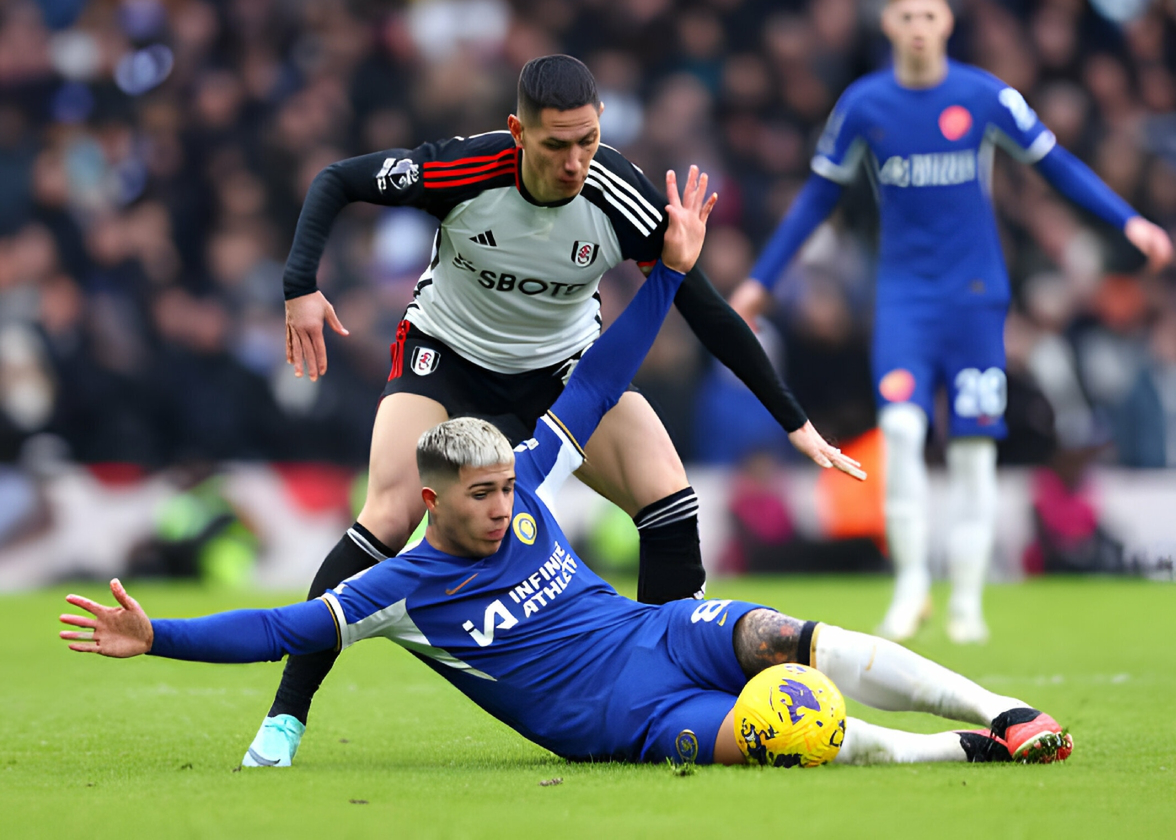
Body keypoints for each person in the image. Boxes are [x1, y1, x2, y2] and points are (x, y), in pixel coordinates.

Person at [59, 192, 1071, 768]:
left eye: (507, 490)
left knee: (785, 636)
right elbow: (280, 626)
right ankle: (964, 755)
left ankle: (1003, 705)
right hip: (619, 721)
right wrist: (158, 639)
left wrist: (668, 275)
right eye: (485, 497)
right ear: (434, 504)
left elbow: (597, 380)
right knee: (789, 728)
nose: (505, 506)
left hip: (656, 632)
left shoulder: (529, 477)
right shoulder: (398, 592)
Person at [266, 55, 864, 767]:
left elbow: (705, 309)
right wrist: (300, 284)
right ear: (517, 132)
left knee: (669, 498)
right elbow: (337, 179)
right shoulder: (462, 169)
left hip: (562, 375)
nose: (575, 160)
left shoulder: (618, 192)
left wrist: (793, 421)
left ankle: (663, 687)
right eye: (556, 145)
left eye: (587, 140)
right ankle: (286, 719)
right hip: (448, 360)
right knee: (390, 514)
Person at [730, 0, 1172, 645]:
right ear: (888, 26)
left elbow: (1058, 166)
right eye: (904, 16)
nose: (917, 27)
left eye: (928, 16)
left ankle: (966, 599)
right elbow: (816, 200)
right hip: (906, 299)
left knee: (972, 451)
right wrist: (761, 281)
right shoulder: (864, 104)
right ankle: (911, 587)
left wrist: (1129, 221)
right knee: (902, 435)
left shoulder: (985, 96)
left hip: (975, 302)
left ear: (946, 24)